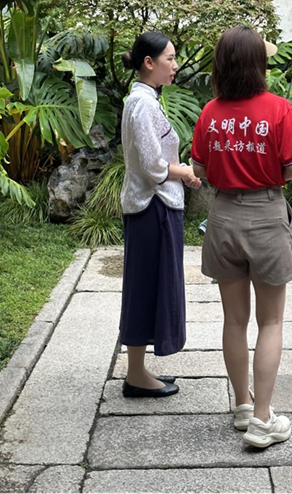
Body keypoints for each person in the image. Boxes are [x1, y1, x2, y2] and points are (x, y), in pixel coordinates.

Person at [191, 25, 292, 448]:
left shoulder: (210, 112)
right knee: (270, 320)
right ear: (259, 64)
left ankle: (243, 404)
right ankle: (262, 420)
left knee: (234, 320)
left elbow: (200, 168)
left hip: (223, 217)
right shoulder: (279, 109)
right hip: (266, 215)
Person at [119, 31, 201, 398]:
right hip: (152, 207)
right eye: (170, 58)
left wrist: (181, 173)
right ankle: (136, 375)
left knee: (146, 287)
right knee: (144, 289)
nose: (175, 65)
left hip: (153, 206)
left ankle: (138, 370)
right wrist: (185, 171)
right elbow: (154, 167)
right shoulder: (144, 104)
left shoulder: (144, 99)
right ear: (149, 63)